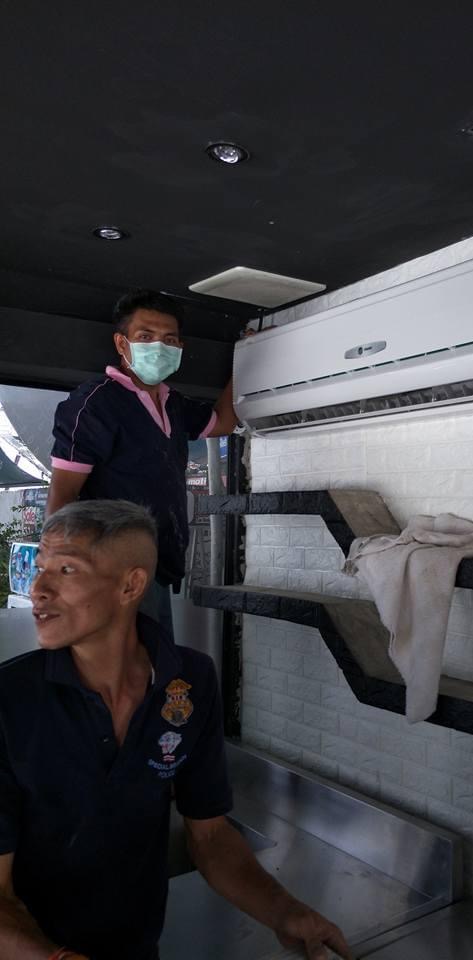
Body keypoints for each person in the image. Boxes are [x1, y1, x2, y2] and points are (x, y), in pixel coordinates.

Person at [0, 500, 351, 960]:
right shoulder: (10, 700)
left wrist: (285, 911)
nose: (38, 588)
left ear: (130, 585)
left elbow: (209, 837)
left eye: (66, 570)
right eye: (41, 567)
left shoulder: (189, 683)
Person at [47, 289, 238, 635]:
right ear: (122, 343)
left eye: (170, 339)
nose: (159, 347)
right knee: (122, 662)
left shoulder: (174, 404)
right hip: (111, 574)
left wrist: (244, 356)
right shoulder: (94, 405)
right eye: (146, 337)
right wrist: (68, 577)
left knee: (154, 661)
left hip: (157, 565)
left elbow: (223, 422)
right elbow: (62, 497)